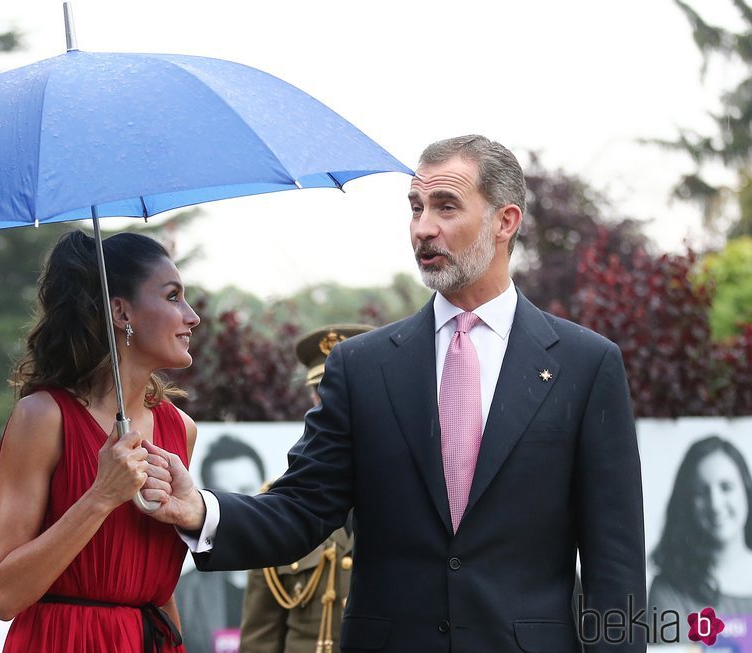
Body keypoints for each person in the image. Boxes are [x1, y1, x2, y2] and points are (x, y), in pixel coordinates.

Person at [142, 135, 647, 652]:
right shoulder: (361, 367)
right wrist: (200, 511)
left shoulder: (585, 365)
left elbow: (616, 562)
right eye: (415, 207)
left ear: (505, 221)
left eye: (446, 207)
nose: (423, 228)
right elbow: (303, 508)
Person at [0, 230, 200, 652]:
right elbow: (2, 594)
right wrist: (101, 495)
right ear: (121, 311)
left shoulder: (181, 429)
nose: (191, 316)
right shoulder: (43, 417)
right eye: (173, 296)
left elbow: (155, 585)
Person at [239, 324, 371, 653]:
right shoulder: (281, 503)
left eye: (351, 389)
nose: (337, 402)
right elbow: (261, 636)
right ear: (313, 400)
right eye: (324, 392)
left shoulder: (414, 494)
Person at [175, 434, 267, 653]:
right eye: (222, 495)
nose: (235, 506)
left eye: (246, 490)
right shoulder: (183, 592)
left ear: (266, 491)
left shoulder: (297, 582)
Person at [648, 435, 752, 617]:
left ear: (747, 490)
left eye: (726, 487)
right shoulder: (669, 591)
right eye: (701, 492)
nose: (715, 504)